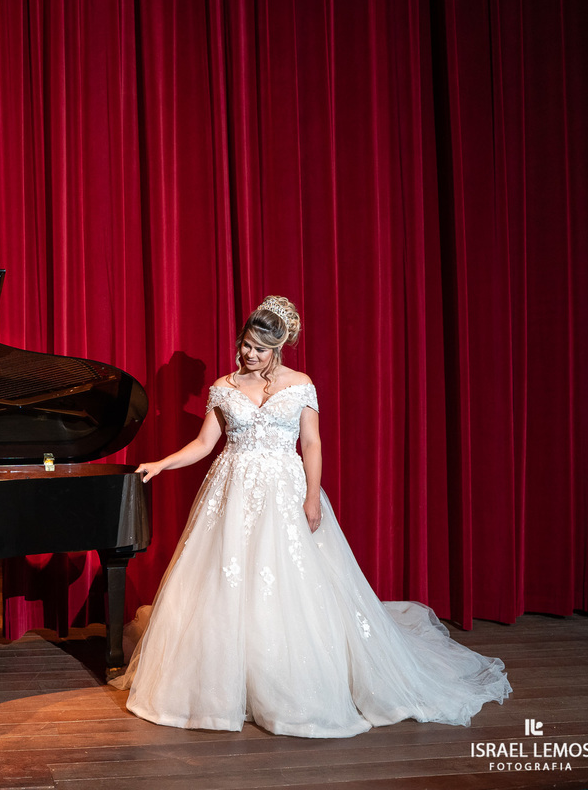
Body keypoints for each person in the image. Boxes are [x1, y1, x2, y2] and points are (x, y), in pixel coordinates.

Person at [113, 297, 510, 737]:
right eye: (245, 344)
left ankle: (291, 683)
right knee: (226, 583)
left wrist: (312, 496)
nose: (249, 354)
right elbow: (206, 445)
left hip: (286, 490)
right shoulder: (223, 387)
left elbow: (313, 444)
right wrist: (161, 463)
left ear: (278, 348)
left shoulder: (301, 384)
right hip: (233, 492)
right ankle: (225, 686)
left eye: (260, 348)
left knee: (292, 584)